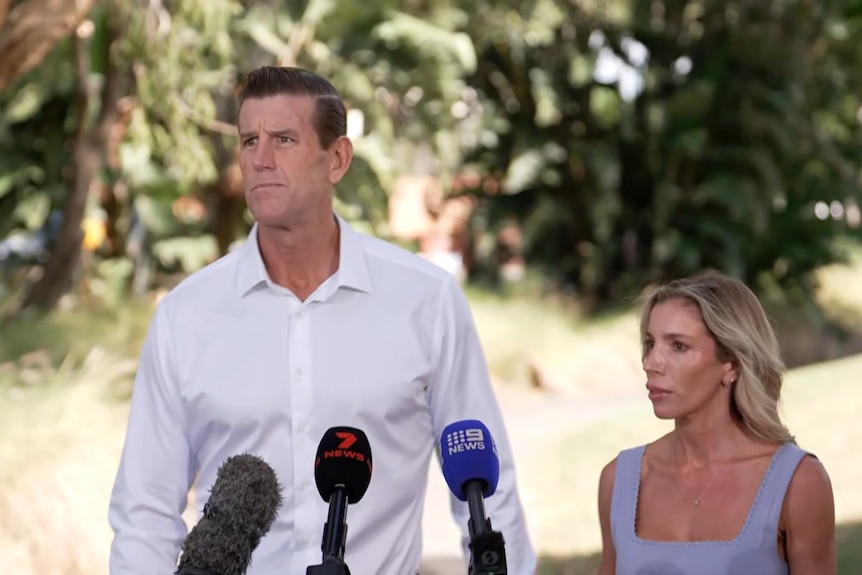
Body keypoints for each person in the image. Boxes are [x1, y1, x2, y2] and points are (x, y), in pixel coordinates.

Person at [107, 66, 537, 575]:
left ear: (337, 159)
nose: (261, 159)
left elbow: (487, 490)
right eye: (249, 140)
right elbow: (146, 513)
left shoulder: (425, 300)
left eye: (284, 139)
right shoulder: (186, 315)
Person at [596, 270, 837, 575]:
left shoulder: (799, 483)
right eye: (650, 343)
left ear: (732, 363)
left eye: (678, 346)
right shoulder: (619, 480)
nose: (650, 363)